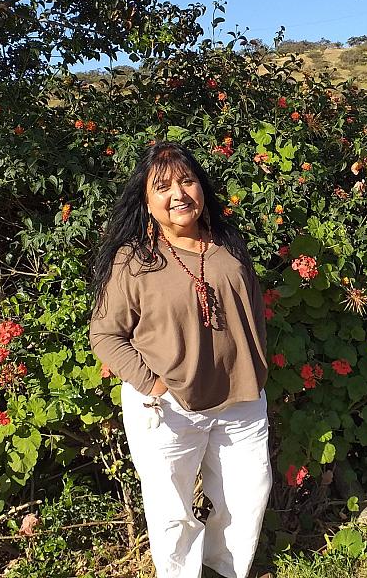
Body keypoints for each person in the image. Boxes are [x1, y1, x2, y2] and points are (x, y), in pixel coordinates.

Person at [89, 141, 272, 578]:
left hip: (241, 399)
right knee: (172, 512)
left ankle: (222, 569)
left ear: (201, 188)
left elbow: (253, 311)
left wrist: (255, 367)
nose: (179, 194)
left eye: (187, 181)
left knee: (247, 497)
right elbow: (105, 334)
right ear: (147, 202)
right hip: (167, 409)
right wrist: (153, 384)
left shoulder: (228, 244)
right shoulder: (133, 262)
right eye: (163, 186)